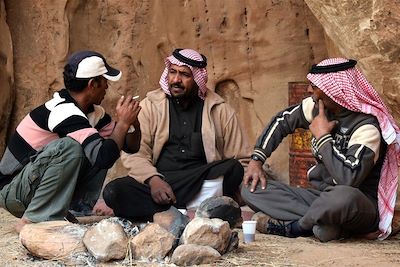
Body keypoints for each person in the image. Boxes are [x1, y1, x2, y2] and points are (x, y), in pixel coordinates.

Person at [241, 58, 400, 242]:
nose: (309, 90)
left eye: (314, 86)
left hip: (358, 203)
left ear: (335, 92)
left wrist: (323, 137)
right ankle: (329, 225)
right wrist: (256, 159)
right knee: (250, 188)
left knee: (341, 198)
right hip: (320, 197)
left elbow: (347, 180)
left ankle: (296, 227)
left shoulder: (367, 126)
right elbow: (282, 121)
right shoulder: (317, 107)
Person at [102, 48, 251, 220]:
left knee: (234, 169)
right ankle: (195, 210)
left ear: (197, 78)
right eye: (172, 72)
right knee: (114, 192)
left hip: (201, 178)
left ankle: (170, 211)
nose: (176, 80)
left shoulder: (219, 110)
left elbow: (241, 157)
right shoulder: (151, 106)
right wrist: (154, 181)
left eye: (184, 75)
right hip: (163, 180)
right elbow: (135, 155)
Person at [0, 50, 141, 232]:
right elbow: (104, 157)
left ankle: (74, 210)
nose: (107, 87)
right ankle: (32, 221)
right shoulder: (63, 111)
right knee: (71, 147)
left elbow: (129, 146)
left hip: (31, 186)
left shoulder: (94, 113)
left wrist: (131, 122)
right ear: (93, 84)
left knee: (101, 144)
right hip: (13, 192)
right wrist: (122, 123)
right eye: (104, 81)